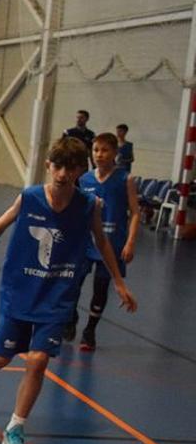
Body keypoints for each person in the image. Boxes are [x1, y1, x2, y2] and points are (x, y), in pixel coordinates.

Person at [0, 136, 137, 444]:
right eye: (57, 166)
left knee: (37, 360)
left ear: (80, 170)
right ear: (48, 165)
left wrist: (119, 283)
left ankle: (15, 428)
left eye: (70, 167)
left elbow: (103, 243)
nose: (62, 173)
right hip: (20, 290)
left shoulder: (87, 206)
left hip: (58, 293)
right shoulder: (30, 197)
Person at [66, 132, 140, 351]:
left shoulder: (125, 179)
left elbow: (135, 213)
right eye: (96, 150)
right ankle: (70, 318)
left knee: (101, 287)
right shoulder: (85, 179)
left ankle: (90, 331)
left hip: (112, 242)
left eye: (104, 150)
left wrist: (130, 242)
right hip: (86, 243)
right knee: (73, 282)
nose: (99, 154)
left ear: (115, 153)